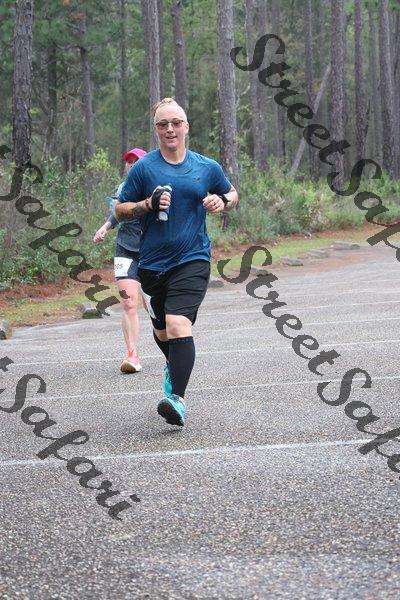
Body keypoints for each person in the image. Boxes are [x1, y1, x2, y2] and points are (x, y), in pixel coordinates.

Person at [116, 98, 238, 427]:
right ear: (156, 130)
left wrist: (222, 200)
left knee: (177, 324)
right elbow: (120, 210)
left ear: (186, 127)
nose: (170, 129)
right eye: (162, 124)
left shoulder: (206, 167)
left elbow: (232, 193)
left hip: (192, 258)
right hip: (152, 264)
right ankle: (174, 365)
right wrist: (147, 204)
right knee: (161, 331)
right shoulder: (144, 168)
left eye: (175, 123)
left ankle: (176, 399)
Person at [93, 147, 147, 374]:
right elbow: (117, 213)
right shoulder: (122, 189)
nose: (132, 164)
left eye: (137, 161)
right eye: (129, 161)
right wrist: (105, 227)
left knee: (155, 306)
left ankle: (171, 348)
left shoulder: (154, 186)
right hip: (125, 249)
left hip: (152, 251)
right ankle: (132, 355)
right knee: (129, 302)